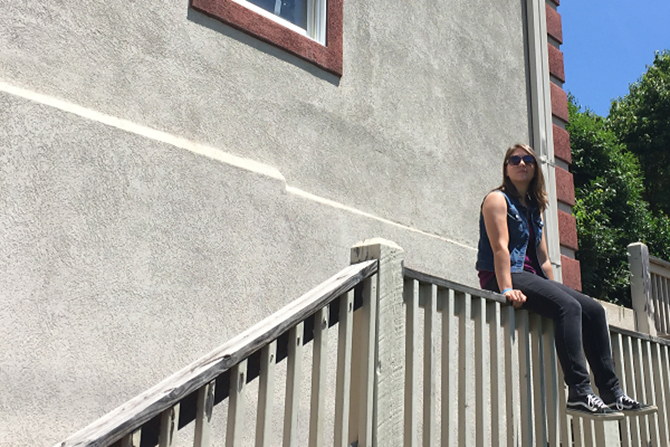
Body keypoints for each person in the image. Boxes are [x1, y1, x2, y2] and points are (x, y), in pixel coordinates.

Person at [476, 143, 655, 417]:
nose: (521, 163)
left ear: (535, 167)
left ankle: (611, 392)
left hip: (530, 276)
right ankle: (580, 393)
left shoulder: (534, 209)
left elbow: (544, 260)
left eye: (527, 159)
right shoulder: (497, 200)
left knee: (593, 310)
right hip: (503, 275)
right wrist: (507, 288)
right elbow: (500, 247)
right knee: (569, 307)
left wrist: (555, 289)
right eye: (514, 160)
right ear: (506, 167)